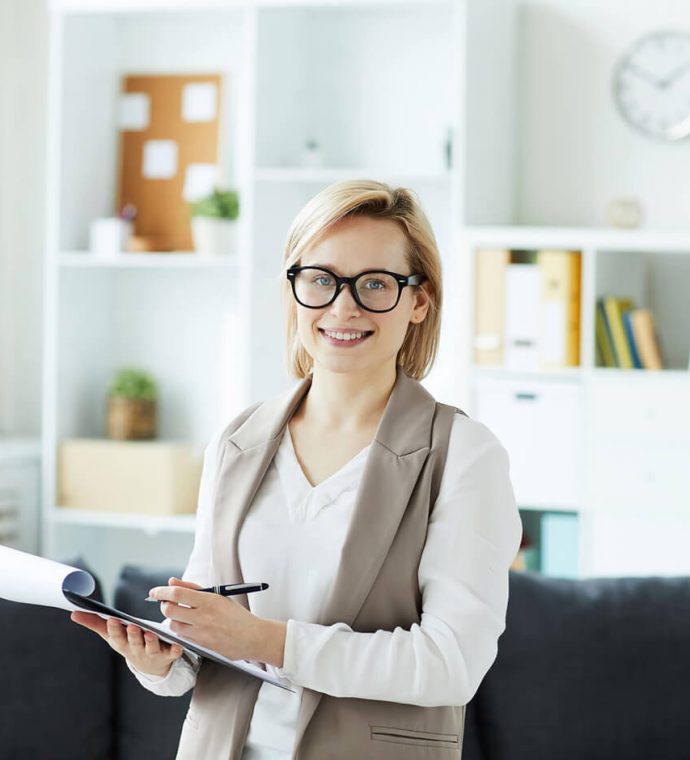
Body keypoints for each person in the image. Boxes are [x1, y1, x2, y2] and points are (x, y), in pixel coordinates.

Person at [71, 179, 522, 759]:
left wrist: (266, 640)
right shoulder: (238, 441)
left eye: (376, 284)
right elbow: (206, 646)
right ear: (293, 290)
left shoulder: (463, 454)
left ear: (419, 301)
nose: (343, 306)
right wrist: (160, 660)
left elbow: (450, 662)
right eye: (320, 279)